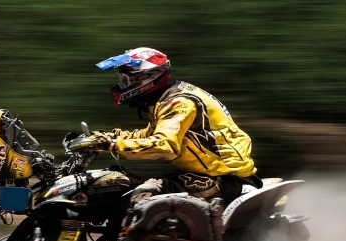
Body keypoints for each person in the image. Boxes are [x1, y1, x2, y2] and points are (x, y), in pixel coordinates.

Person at [85, 47, 263, 205]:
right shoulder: (167, 99)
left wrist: (110, 145)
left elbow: (165, 146)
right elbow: (149, 135)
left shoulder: (179, 102)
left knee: (143, 198)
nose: (121, 86)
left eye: (125, 80)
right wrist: (106, 137)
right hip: (210, 175)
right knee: (127, 186)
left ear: (146, 77)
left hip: (226, 180)